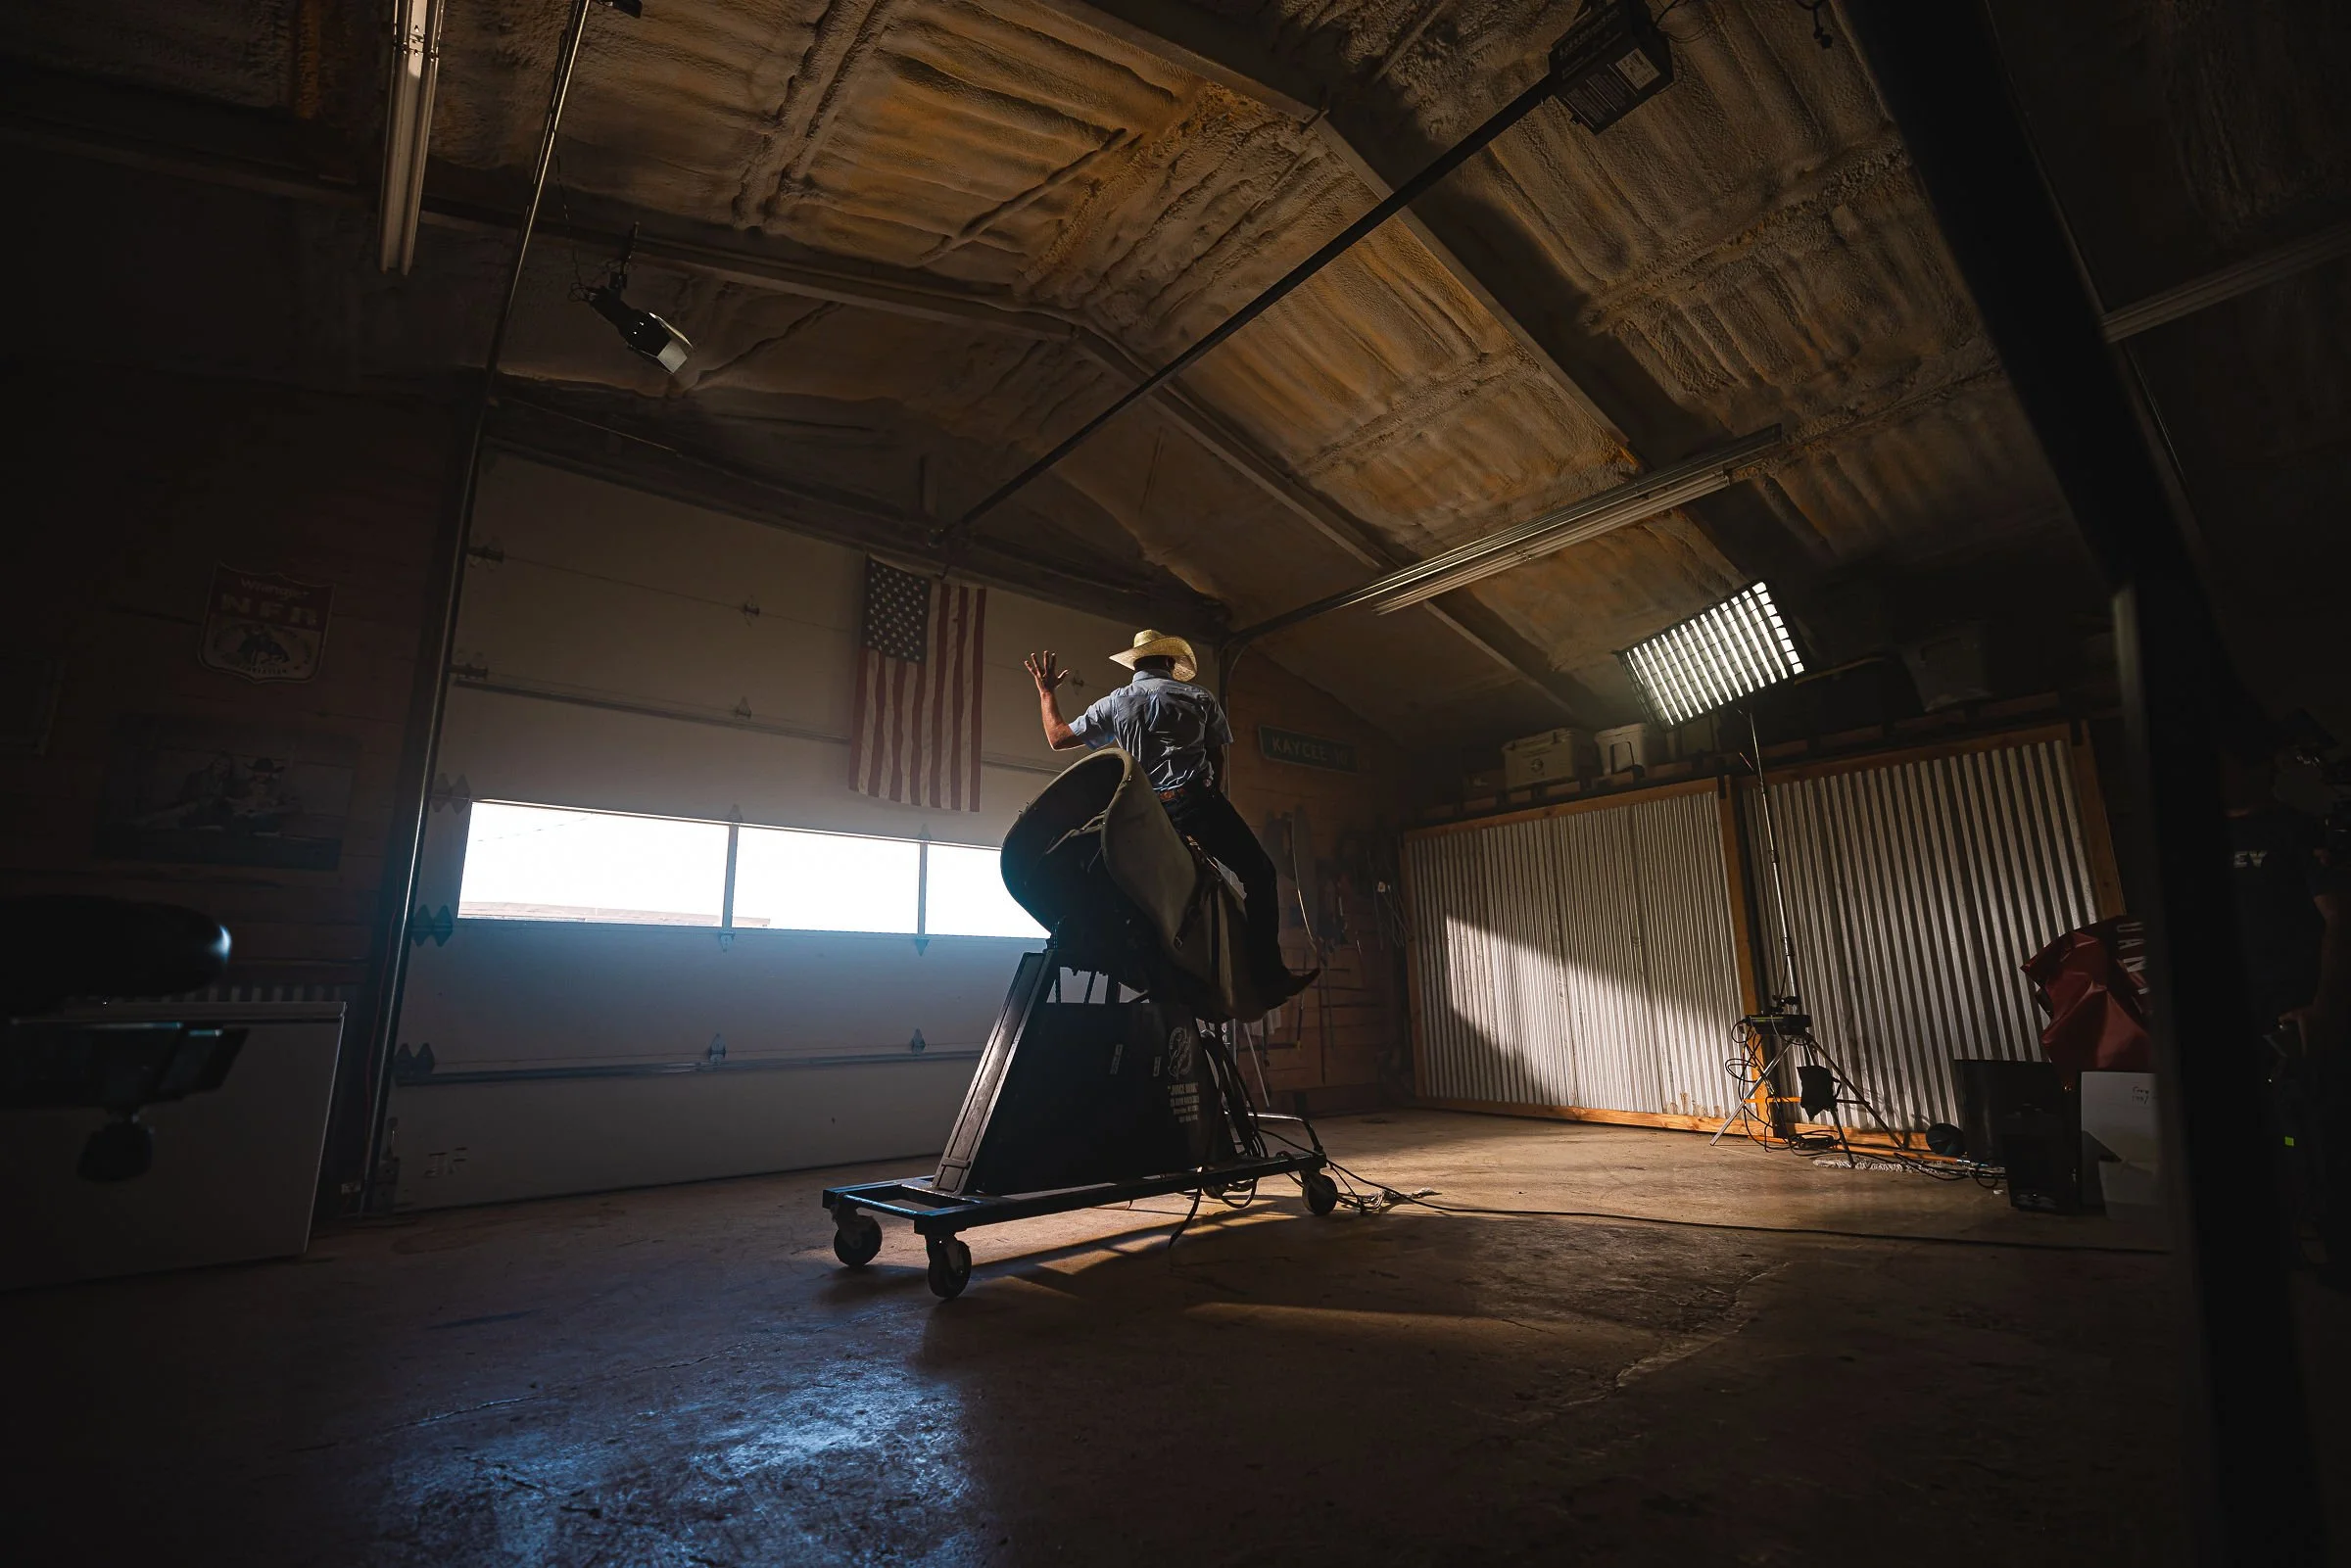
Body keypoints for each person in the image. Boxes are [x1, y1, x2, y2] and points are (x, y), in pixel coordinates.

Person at [1025, 631, 1310, 999]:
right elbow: (1217, 758)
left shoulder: (1115, 703)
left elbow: (1059, 738)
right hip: (1196, 804)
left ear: (1135, 664)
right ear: (1171, 664)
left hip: (1142, 812)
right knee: (1259, 874)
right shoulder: (1199, 698)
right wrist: (1210, 802)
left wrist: (1047, 692)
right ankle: (1268, 976)